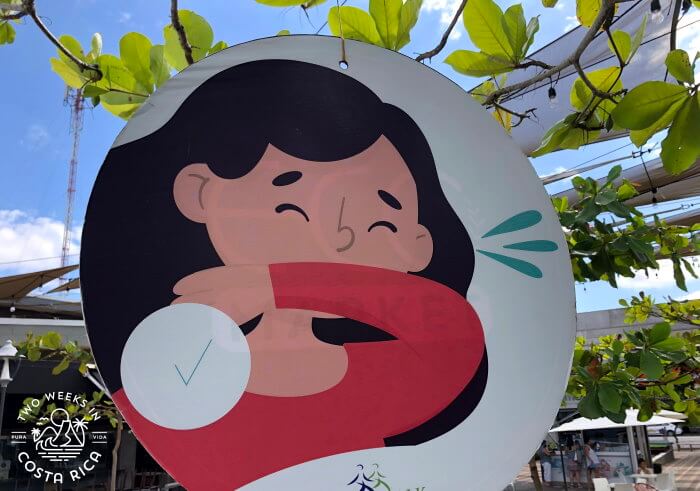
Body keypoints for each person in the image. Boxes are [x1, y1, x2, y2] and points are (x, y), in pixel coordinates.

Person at [83, 60, 489, 491]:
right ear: (199, 191)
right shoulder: (172, 384)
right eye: (291, 205)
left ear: (419, 245)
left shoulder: (378, 380)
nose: (340, 237)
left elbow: (456, 332)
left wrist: (274, 285)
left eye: (382, 222)